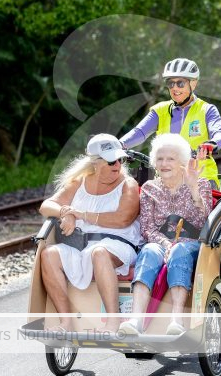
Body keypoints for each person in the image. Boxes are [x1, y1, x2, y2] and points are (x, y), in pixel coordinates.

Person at [39, 134, 143, 333]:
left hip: (120, 244)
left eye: (120, 159)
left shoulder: (127, 184)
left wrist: (81, 215)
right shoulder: (79, 182)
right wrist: (65, 212)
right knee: (48, 255)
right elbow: (46, 206)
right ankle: (66, 322)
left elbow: (123, 219)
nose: (117, 165)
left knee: (100, 252)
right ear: (95, 163)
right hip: (84, 245)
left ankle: (113, 321)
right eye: (112, 161)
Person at [118, 133, 212, 336]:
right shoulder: (150, 188)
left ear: (182, 162)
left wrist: (193, 187)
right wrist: (165, 244)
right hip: (159, 243)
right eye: (160, 159)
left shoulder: (201, 184)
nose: (164, 163)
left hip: (191, 244)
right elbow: (147, 228)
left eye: (171, 158)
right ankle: (135, 320)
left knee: (179, 249)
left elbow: (205, 221)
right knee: (149, 250)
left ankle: (176, 320)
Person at [120, 58, 221, 188]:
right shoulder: (159, 110)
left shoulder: (206, 110)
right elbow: (140, 132)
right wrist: (119, 144)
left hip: (201, 178)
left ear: (193, 84)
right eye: (170, 83)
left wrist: (212, 144)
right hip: (166, 179)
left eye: (180, 83)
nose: (174, 88)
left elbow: (219, 133)